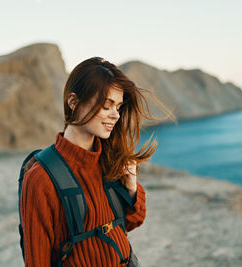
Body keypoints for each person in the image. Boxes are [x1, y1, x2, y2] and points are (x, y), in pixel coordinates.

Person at [20, 57, 175, 267]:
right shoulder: (41, 178)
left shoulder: (110, 159)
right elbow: (36, 261)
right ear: (73, 102)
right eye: (106, 106)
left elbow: (132, 221)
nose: (116, 115)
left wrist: (131, 189)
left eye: (118, 107)